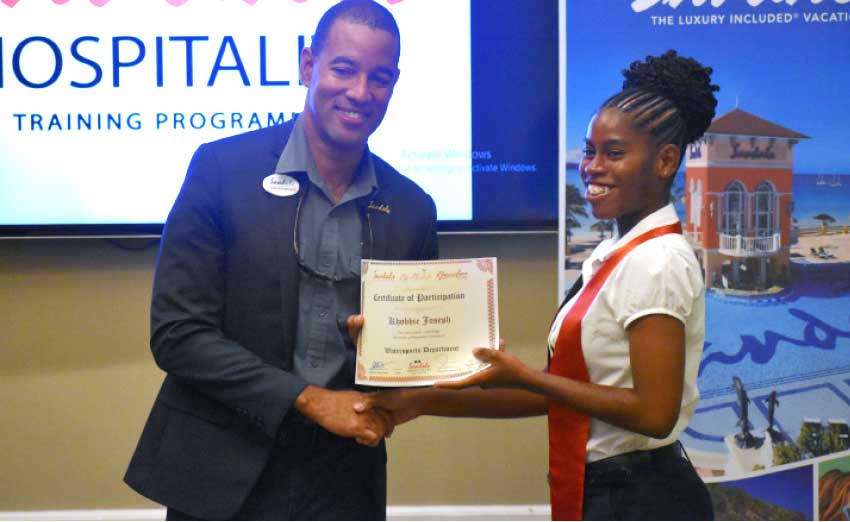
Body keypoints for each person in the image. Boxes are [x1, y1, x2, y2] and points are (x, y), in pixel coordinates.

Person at [354, 50, 718, 520]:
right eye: (589, 151)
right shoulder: (617, 254)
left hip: (642, 501)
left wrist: (525, 374)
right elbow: (559, 396)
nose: (592, 167)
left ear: (667, 160)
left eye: (614, 153)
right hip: (610, 492)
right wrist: (421, 400)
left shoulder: (657, 261)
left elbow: (653, 413)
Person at [123, 1, 438, 519]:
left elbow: (415, 355)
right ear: (308, 66)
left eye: (379, 78)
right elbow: (178, 335)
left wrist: (406, 363)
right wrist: (308, 398)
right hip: (220, 470)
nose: (361, 93)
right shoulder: (222, 168)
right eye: (343, 69)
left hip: (343, 480)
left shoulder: (411, 208)